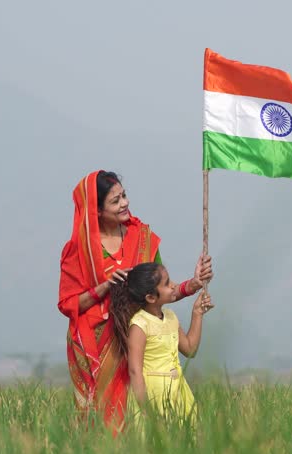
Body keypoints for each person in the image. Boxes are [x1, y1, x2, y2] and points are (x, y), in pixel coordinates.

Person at [57, 170, 212, 428]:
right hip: (95, 348)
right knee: (99, 422)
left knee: (133, 418)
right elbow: (68, 304)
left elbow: (155, 291)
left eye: (124, 196)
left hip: (137, 339)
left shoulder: (142, 238)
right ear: (96, 211)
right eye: (115, 201)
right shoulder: (79, 250)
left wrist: (193, 285)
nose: (125, 203)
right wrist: (105, 286)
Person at [110, 262, 213, 426]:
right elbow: (135, 372)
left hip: (177, 391)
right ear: (150, 297)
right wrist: (147, 412)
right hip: (153, 395)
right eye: (166, 284)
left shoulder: (170, 317)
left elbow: (190, 349)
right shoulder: (139, 325)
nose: (173, 286)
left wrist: (197, 313)